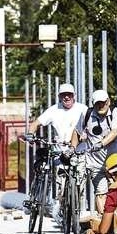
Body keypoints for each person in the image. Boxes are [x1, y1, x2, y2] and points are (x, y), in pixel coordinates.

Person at [27, 83, 88, 219]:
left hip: (79, 151)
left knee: (81, 184)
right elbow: (36, 123)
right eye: (63, 95)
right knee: (61, 183)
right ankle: (61, 207)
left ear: (74, 96)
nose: (67, 97)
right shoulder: (54, 110)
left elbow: (91, 125)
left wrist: (86, 136)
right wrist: (30, 134)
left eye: (69, 95)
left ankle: (80, 215)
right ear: (59, 96)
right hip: (60, 152)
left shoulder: (83, 109)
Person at [71, 89, 117, 214]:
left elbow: (115, 131)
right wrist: (72, 148)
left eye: (103, 102)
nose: (101, 105)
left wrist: (101, 144)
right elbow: (76, 132)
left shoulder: (116, 112)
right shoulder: (87, 114)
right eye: (97, 103)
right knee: (101, 193)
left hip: (114, 162)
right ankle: (104, 224)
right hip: (95, 163)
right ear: (93, 104)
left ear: (108, 101)